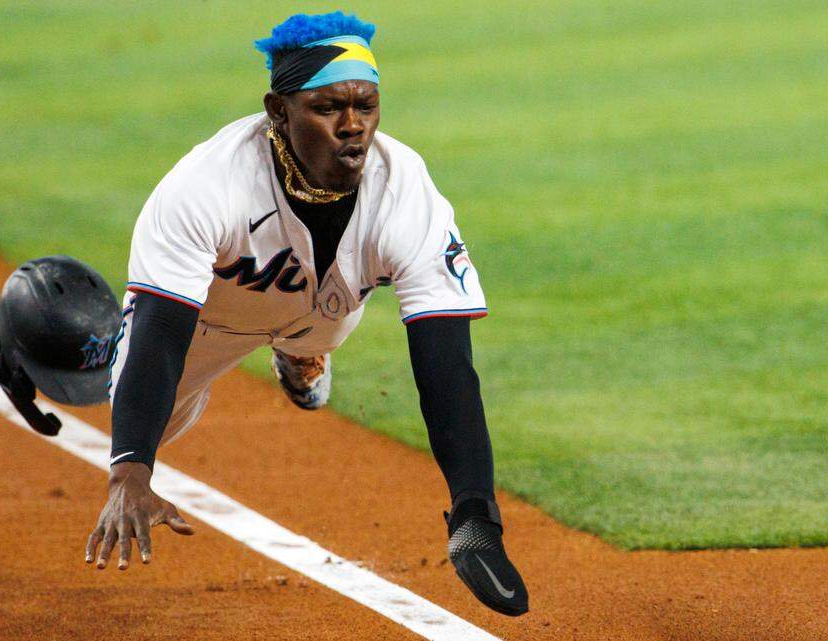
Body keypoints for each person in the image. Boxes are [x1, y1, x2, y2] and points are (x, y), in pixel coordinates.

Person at [84, 11, 529, 616]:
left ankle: (301, 357)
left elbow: (446, 363)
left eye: (366, 105)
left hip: (325, 313)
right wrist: (130, 470)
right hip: (202, 328)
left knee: (326, 309)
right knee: (109, 403)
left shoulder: (406, 191)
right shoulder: (206, 185)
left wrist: (475, 511)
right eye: (328, 108)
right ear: (278, 110)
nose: (353, 127)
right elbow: (160, 336)